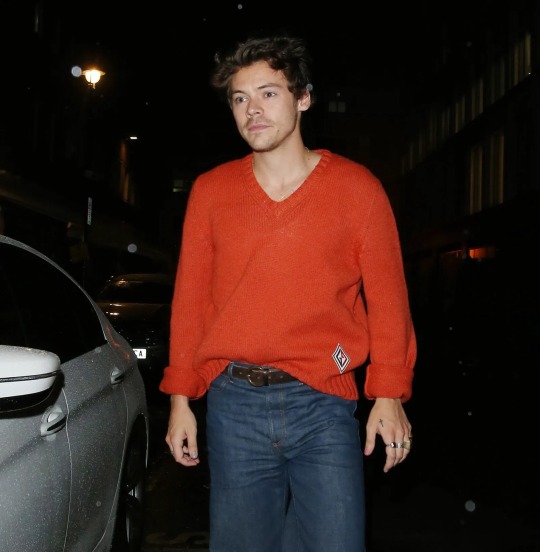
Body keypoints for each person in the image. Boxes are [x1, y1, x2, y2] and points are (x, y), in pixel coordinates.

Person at [160, 33, 416, 552]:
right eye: (239, 98)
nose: (252, 109)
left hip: (324, 399)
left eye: (268, 93)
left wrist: (388, 394)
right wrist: (180, 400)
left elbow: (389, 299)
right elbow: (190, 303)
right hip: (234, 404)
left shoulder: (358, 189)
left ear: (303, 98)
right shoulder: (211, 192)